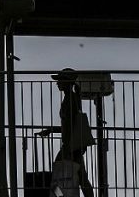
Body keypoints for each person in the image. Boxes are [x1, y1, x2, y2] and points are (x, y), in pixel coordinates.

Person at [37, 68, 95, 197]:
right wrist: (51, 130)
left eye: (60, 80)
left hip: (71, 145)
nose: (57, 83)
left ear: (67, 82)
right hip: (74, 144)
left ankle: (59, 195)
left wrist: (69, 146)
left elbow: (72, 124)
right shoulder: (71, 98)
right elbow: (70, 124)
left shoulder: (70, 99)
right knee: (81, 176)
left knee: (59, 174)